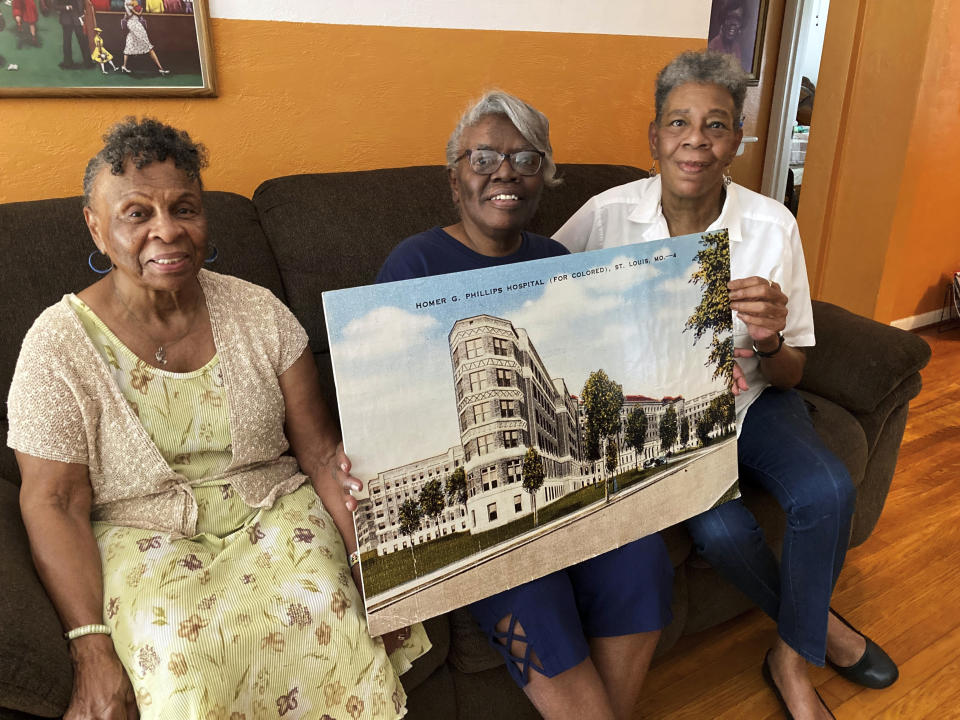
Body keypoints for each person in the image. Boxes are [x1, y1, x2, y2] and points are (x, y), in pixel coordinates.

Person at [8, 117, 428, 719]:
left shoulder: (258, 312)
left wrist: (374, 565)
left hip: (274, 511)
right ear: (95, 226)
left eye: (185, 208)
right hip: (143, 534)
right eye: (137, 214)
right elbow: (52, 502)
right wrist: (90, 648)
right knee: (181, 656)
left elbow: (317, 452)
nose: (167, 231)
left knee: (330, 605)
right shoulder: (57, 346)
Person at [553, 50, 899, 720]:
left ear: (736, 139)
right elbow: (545, 288)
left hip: (751, 398)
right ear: (654, 136)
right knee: (721, 533)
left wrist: (769, 337)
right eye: (678, 122)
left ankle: (791, 662)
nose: (695, 139)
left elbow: (793, 367)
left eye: (715, 125)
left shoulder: (771, 225)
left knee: (827, 486)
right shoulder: (606, 218)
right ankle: (821, 626)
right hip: (667, 424)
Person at [370, 90, 674, 720]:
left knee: (642, 558)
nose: (504, 170)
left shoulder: (556, 262)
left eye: (525, 159)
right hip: (489, 512)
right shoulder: (414, 263)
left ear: (543, 178)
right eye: (483, 156)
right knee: (523, 577)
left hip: (567, 487)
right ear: (455, 178)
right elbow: (382, 395)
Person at [119, 0, 170, 75]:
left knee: (130, 43)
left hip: (135, 23)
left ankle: (124, 66)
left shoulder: (132, 2)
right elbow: (130, 15)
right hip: (134, 24)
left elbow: (135, 13)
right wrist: (132, 10)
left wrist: (133, 9)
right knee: (148, 46)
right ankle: (161, 68)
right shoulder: (128, 3)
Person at [55, 0, 92, 69]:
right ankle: (87, 62)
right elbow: (55, 6)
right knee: (70, 41)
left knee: (79, 41)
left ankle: (69, 63)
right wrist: (66, 7)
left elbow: (55, 6)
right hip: (73, 19)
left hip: (74, 19)